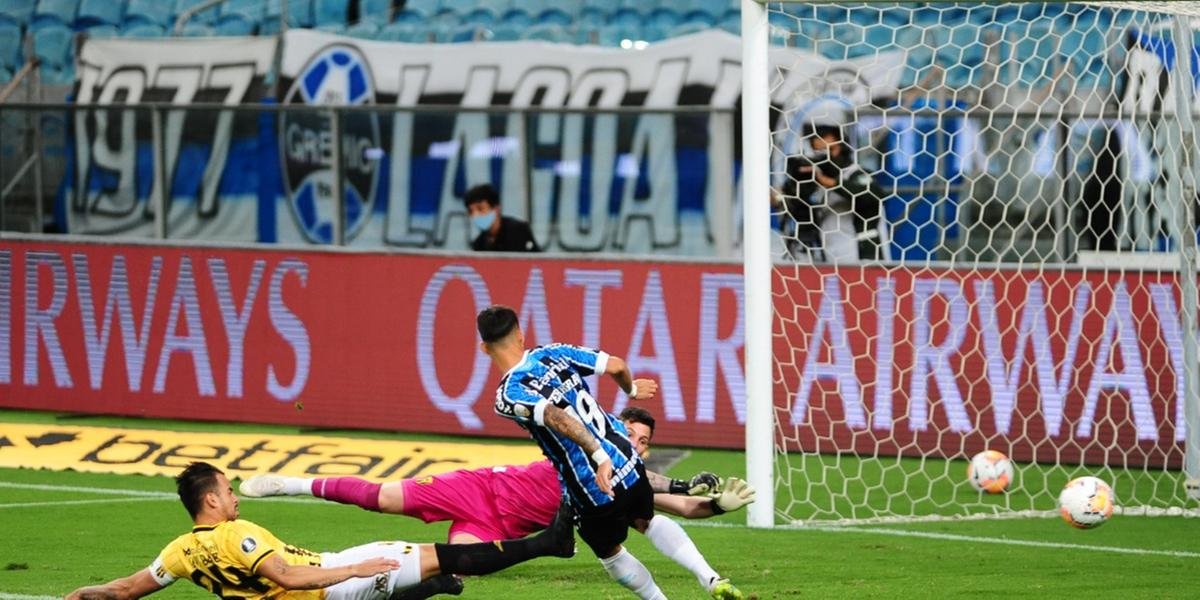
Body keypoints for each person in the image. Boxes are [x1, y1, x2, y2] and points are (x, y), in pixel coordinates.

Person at [240, 407, 756, 598]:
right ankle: (291, 483)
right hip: (480, 488)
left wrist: (701, 499)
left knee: (452, 576)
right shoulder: (591, 446)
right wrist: (683, 487)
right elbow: (656, 487)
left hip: (493, 525)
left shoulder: (624, 480)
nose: (637, 445)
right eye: (632, 435)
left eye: (644, 440)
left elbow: (658, 501)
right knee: (383, 497)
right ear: (615, 428)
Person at [476, 305, 744, 600]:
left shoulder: (508, 395)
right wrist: (630, 390)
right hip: (627, 460)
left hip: (592, 486)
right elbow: (616, 365)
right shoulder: (552, 352)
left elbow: (558, 418)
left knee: (610, 553)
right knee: (647, 520)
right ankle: (711, 579)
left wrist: (599, 458)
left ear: (485, 348)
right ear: (520, 335)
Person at [65, 462, 575, 600]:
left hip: (326, 573)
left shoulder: (178, 552)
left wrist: (82, 595)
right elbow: (288, 577)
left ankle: (428, 587)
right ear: (211, 500)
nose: (236, 497)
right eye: (227, 490)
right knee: (442, 554)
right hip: (329, 586)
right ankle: (548, 544)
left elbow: (128, 590)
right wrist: (353, 569)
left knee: (431, 569)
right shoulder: (236, 534)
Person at [779, 123, 882, 263]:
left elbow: (874, 195)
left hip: (861, 256)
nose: (828, 157)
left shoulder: (856, 173)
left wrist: (830, 182)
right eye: (820, 153)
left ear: (843, 147)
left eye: (831, 149)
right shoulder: (816, 181)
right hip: (827, 258)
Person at [464, 183, 540, 252]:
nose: (476, 215)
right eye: (471, 211)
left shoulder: (518, 230)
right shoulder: (479, 243)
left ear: (496, 209)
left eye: (480, 209)